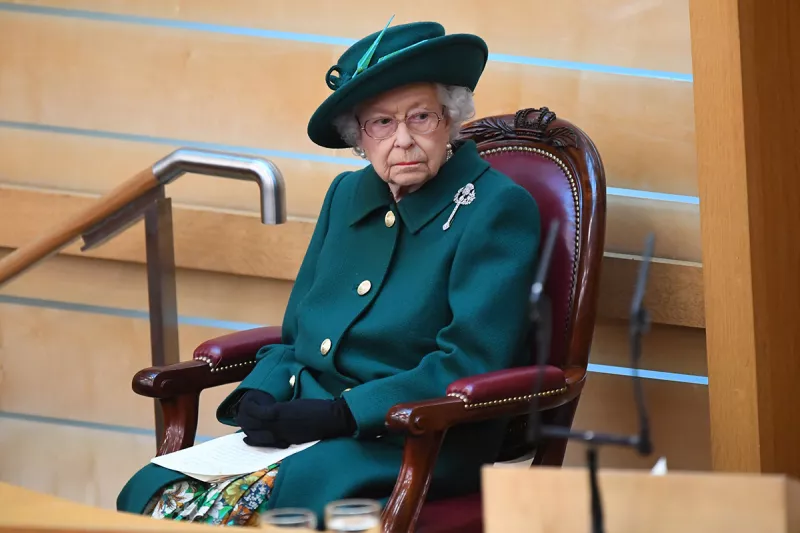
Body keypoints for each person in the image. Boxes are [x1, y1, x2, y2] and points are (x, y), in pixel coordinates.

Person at [116, 19, 541, 527]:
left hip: (418, 437)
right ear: (359, 137)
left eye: (420, 116)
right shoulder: (346, 196)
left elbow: (470, 361)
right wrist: (263, 392)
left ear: (449, 119)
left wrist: (343, 414)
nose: (401, 139)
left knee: (245, 510)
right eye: (381, 123)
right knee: (150, 494)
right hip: (311, 426)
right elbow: (297, 335)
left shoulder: (496, 207)